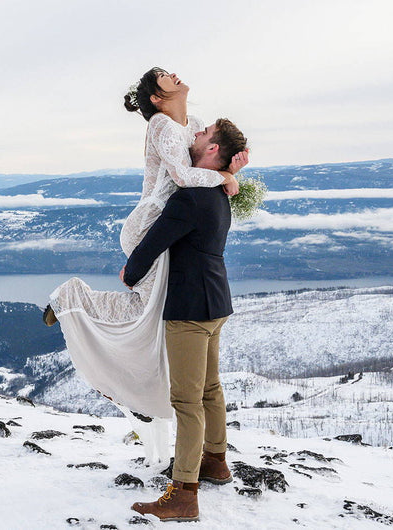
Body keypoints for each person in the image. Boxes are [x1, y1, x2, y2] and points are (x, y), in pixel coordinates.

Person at [43, 67, 248, 463]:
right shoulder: (162, 126)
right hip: (151, 224)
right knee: (147, 310)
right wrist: (225, 175)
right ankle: (72, 299)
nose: (174, 74)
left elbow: (209, 153)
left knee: (163, 317)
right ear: (157, 97)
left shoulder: (197, 124)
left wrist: (228, 170)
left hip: (172, 225)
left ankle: (148, 395)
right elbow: (184, 175)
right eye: (164, 77)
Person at [124, 117, 247, 522]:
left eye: (204, 133)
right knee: (210, 388)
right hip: (216, 303)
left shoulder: (192, 196)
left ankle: (184, 493)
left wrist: (131, 272)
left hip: (191, 309)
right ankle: (215, 460)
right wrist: (231, 172)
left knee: (186, 401)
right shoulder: (217, 192)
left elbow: (154, 240)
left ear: (212, 150)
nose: (195, 134)